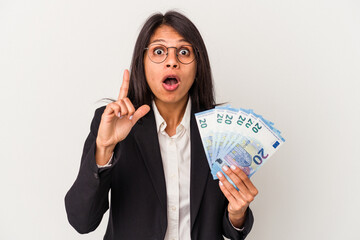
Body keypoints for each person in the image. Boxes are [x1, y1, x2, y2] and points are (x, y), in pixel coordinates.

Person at [65, 10, 258, 240]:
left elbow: (229, 228)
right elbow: (82, 221)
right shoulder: (111, 123)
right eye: (159, 51)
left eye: (184, 52)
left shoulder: (220, 130)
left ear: (198, 66)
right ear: (142, 64)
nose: (172, 61)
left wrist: (237, 214)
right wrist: (104, 148)